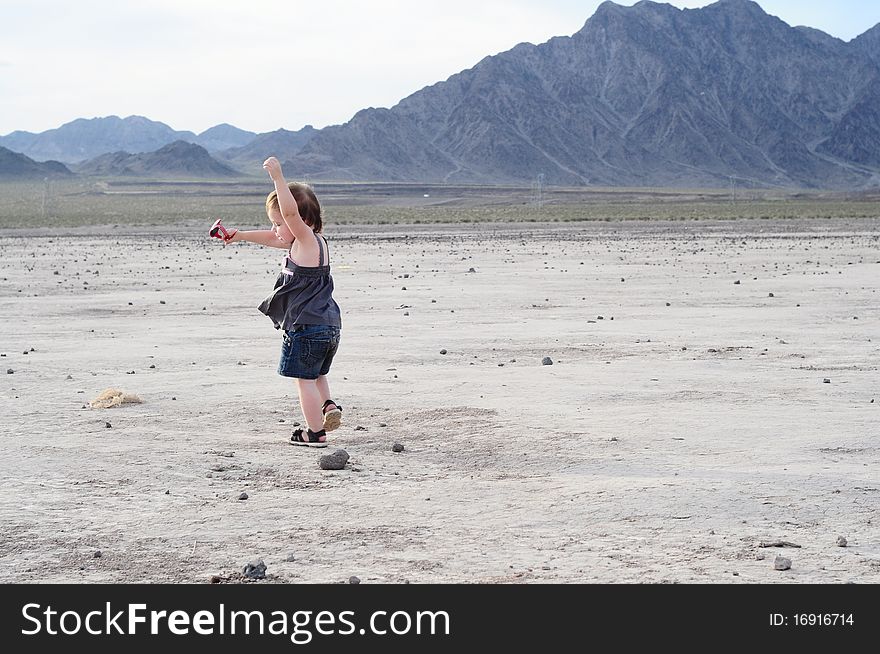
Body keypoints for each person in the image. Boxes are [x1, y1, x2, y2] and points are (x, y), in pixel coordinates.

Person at [209, 157, 342, 447]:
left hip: (305, 327)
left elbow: (291, 216)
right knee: (317, 373)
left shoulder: (303, 238)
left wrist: (278, 179)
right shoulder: (312, 243)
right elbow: (274, 238)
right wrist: (240, 235)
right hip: (328, 325)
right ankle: (329, 405)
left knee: (303, 380)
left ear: (301, 221)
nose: (277, 228)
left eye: (278, 222)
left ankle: (315, 433)